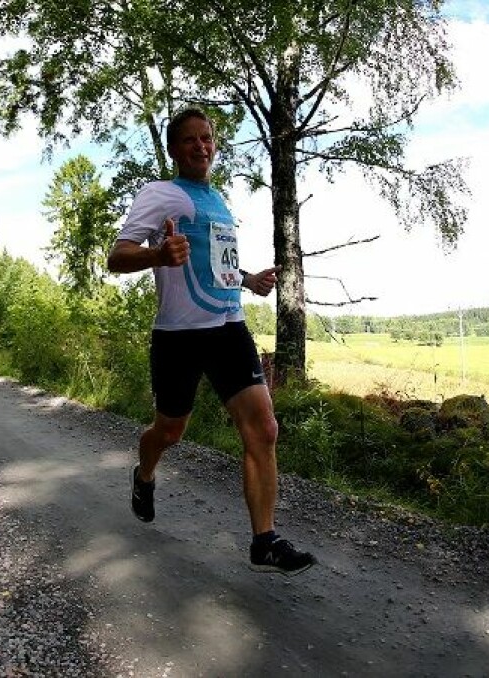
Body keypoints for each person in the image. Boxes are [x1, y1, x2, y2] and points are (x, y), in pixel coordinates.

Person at [106, 107, 317, 576]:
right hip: (178, 337)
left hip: (228, 327)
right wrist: (157, 254)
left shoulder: (218, 201)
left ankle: (264, 540)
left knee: (264, 428)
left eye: (207, 138)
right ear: (174, 149)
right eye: (189, 140)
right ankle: (144, 475)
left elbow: (214, 263)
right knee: (169, 432)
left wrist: (247, 280)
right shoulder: (160, 194)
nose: (201, 146)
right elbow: (116, 256)